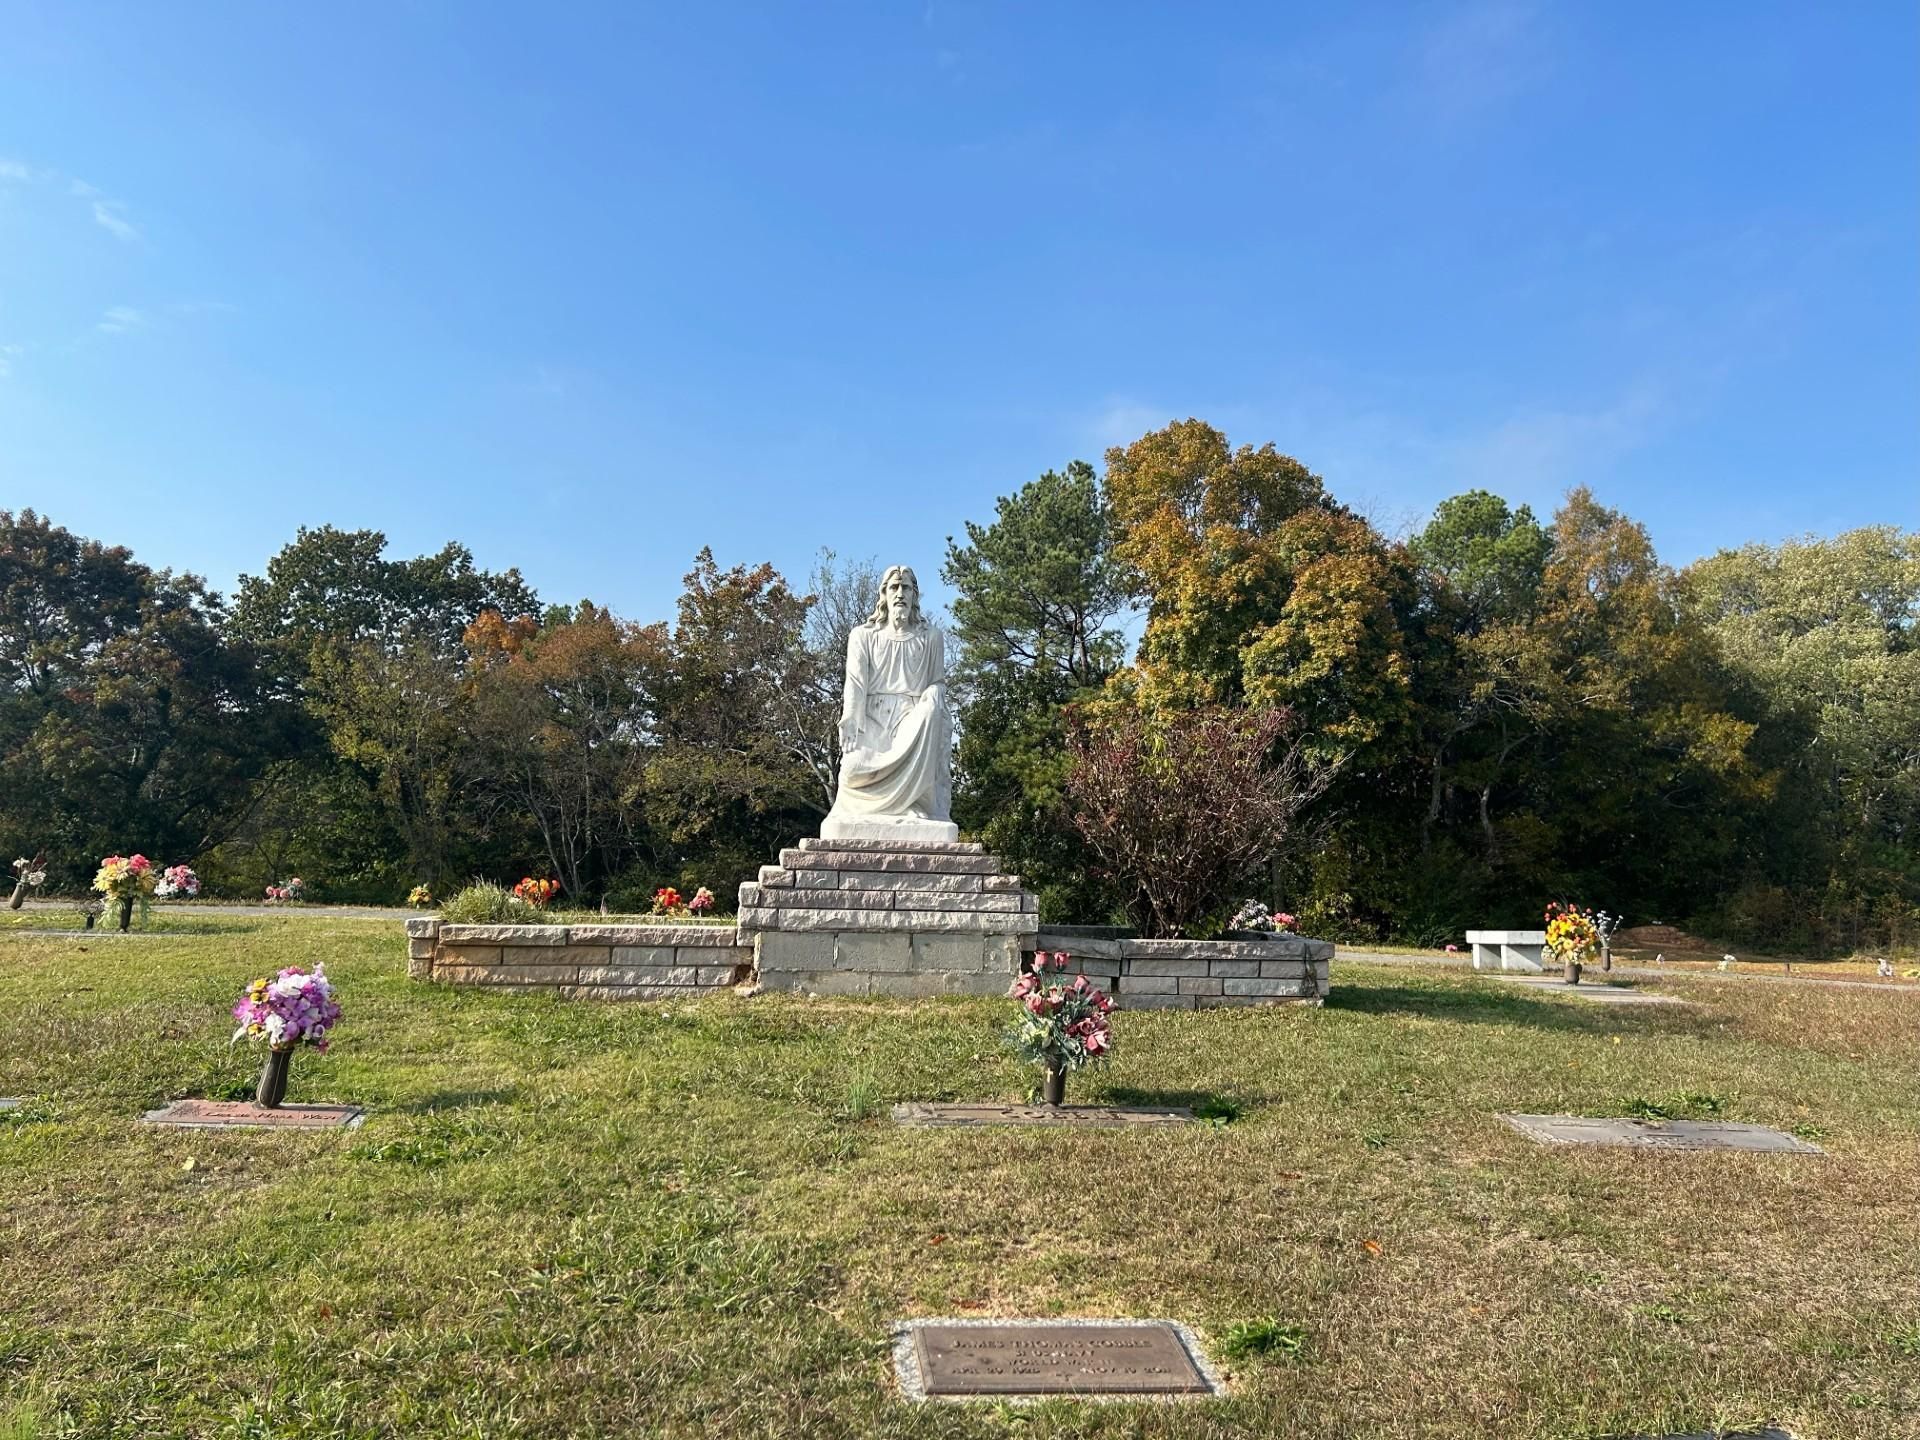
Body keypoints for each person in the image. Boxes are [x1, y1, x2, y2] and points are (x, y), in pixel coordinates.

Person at [821, 565, 956, 840]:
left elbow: (937, 683)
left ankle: (913, 803)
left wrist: (932, 695)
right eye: (894, 587)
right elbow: (855, 683)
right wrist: (849, 717)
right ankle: (884, 808)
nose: (900, 594)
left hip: (913, 721)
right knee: (851, 771)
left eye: (906, 587)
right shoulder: (863, 636)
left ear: (914, 595)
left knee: (932, 707)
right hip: (873, 722)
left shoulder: (931, 637)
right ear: (883, 593)